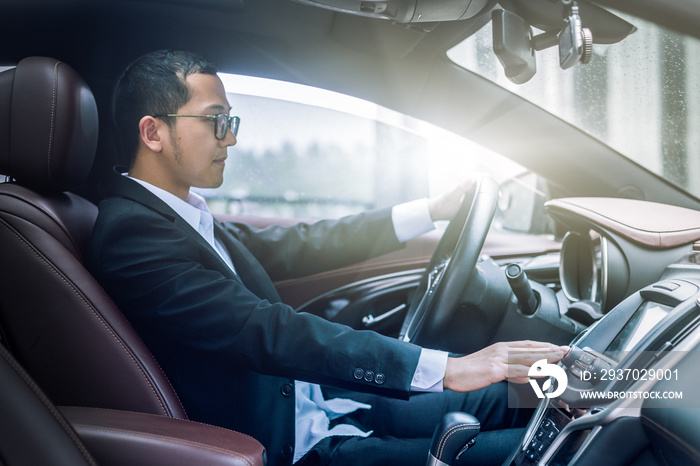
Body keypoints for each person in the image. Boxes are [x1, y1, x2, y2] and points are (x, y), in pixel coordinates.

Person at [87, 50, 567, 466]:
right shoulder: (131, 235)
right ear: (152, 132)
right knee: (561, 448)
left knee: (527, 395)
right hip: (296, 448)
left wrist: (432, 211)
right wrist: (447, 368)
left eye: (231, 122)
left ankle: (626, 397)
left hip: (322, 403)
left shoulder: (178, 214)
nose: (229, 138)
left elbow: (302, 244)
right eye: (216, 121)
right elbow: (265, 328)